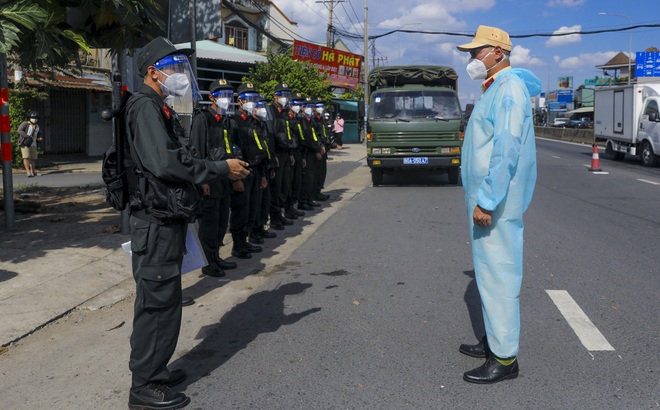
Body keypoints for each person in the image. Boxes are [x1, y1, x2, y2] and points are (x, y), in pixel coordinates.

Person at [124, 37, 250, 410]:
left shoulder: (157, 106)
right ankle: (144, 385)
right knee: (157, 302)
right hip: (155, 223)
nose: (181, 74)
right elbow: (165, 164)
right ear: (153, 72)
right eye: (174, 68)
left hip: (166, 220)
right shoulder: (144, 107)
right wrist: (219, 168)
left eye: (182, 68)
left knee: (166, 300)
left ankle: (156, 370)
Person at [455, 25, 540, 384]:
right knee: (489, 275)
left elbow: (505, 150)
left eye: (477, 52)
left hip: (496, 203)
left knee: (499, 276)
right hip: (490, 201)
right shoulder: (494, 88)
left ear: (498, 53)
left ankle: (504, 360)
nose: (472, 59)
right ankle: (494, 340)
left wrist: (487, 200)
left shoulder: (507, 89)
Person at [190, 79, 239, 278]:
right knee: (209, 225)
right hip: (210, 179)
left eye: (229, 94)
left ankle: (216, 256)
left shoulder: (226, 119)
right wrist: (202, 181)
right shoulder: (203, 119)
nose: (226, 98)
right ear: (212, 97)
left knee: (220, 222)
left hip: (224, 177)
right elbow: (197, 151)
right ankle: (208, 263)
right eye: (222, 94)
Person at [228, 83, 267, 258]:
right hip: (241, 172)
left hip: (255, 170)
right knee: (240, 210)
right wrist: (236, 179)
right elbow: (232, 150)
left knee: (252, 207)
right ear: (239, 101)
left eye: (254, 99)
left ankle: (246, 240)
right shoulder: (233, 122)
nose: (252, 102)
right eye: (248, 99)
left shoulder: (252, 122)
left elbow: (259, 147)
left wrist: (263, 172)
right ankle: (237, 245)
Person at [17, 111, 43, 177]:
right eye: (32, 117)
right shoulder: (25, 124)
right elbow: (19, 130)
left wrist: (39, 138)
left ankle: (33, 172)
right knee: (26, 157)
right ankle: (28, 172)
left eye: (36, 118)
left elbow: (39, 134)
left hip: (33, 143)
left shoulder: (37, 126)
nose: (34, 119)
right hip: (25, 143)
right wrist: (26, 136)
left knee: (33, 158)